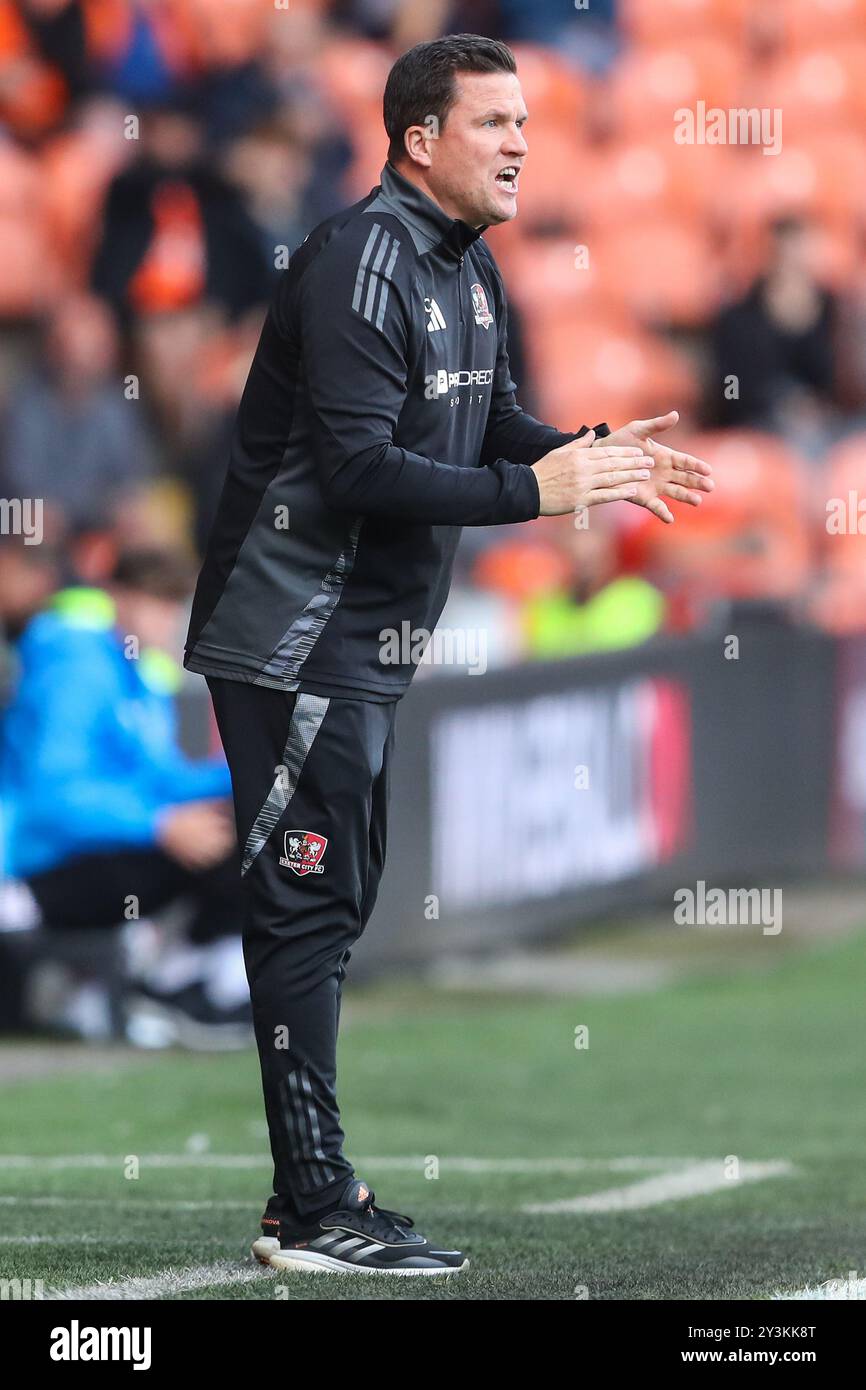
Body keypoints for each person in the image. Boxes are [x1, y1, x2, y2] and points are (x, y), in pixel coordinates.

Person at [185, 33, 714, 1277]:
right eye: (493, 123)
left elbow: (487, 425)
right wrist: (538, 494)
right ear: (419, 139)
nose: (522, 141)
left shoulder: (467, 272)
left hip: (362, 641)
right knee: (306, 907)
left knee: (333, 902)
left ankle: (301, 1197)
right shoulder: (358, 261)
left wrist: (592, 452)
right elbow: (365, 464)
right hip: (293, 630)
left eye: (525, 121)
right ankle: (315, 1205)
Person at [0, 547, 250, 1044]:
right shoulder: (75, 666)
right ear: (117, 597)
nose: (168, 621)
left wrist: (252, 771)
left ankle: (184, 983)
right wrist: (158, 825)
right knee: (230, 836)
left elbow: (158, 778)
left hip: (101, 849)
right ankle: (175, 985)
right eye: (156, 604)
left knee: (255, 816)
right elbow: (55, 794)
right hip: (37, 865)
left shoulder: (137, 675)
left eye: (175, 606)